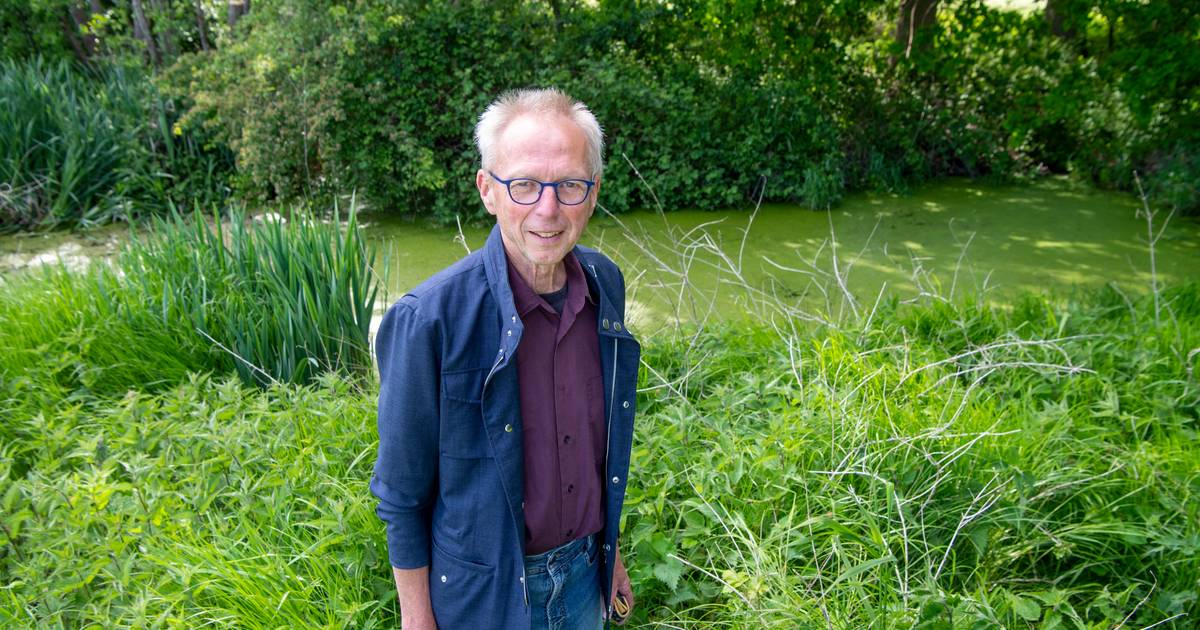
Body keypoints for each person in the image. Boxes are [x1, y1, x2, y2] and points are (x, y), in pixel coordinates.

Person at [371, 88, 640, 629]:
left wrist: (612, 558)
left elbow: (595, 452)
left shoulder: (605, 284)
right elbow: (402, 494)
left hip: (587, 579)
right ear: (487, 190)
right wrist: (416, 619)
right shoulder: (429, 319)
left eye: (569, 185)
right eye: (523, 185)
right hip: (483, 599)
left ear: (592, 193)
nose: (548, 209)